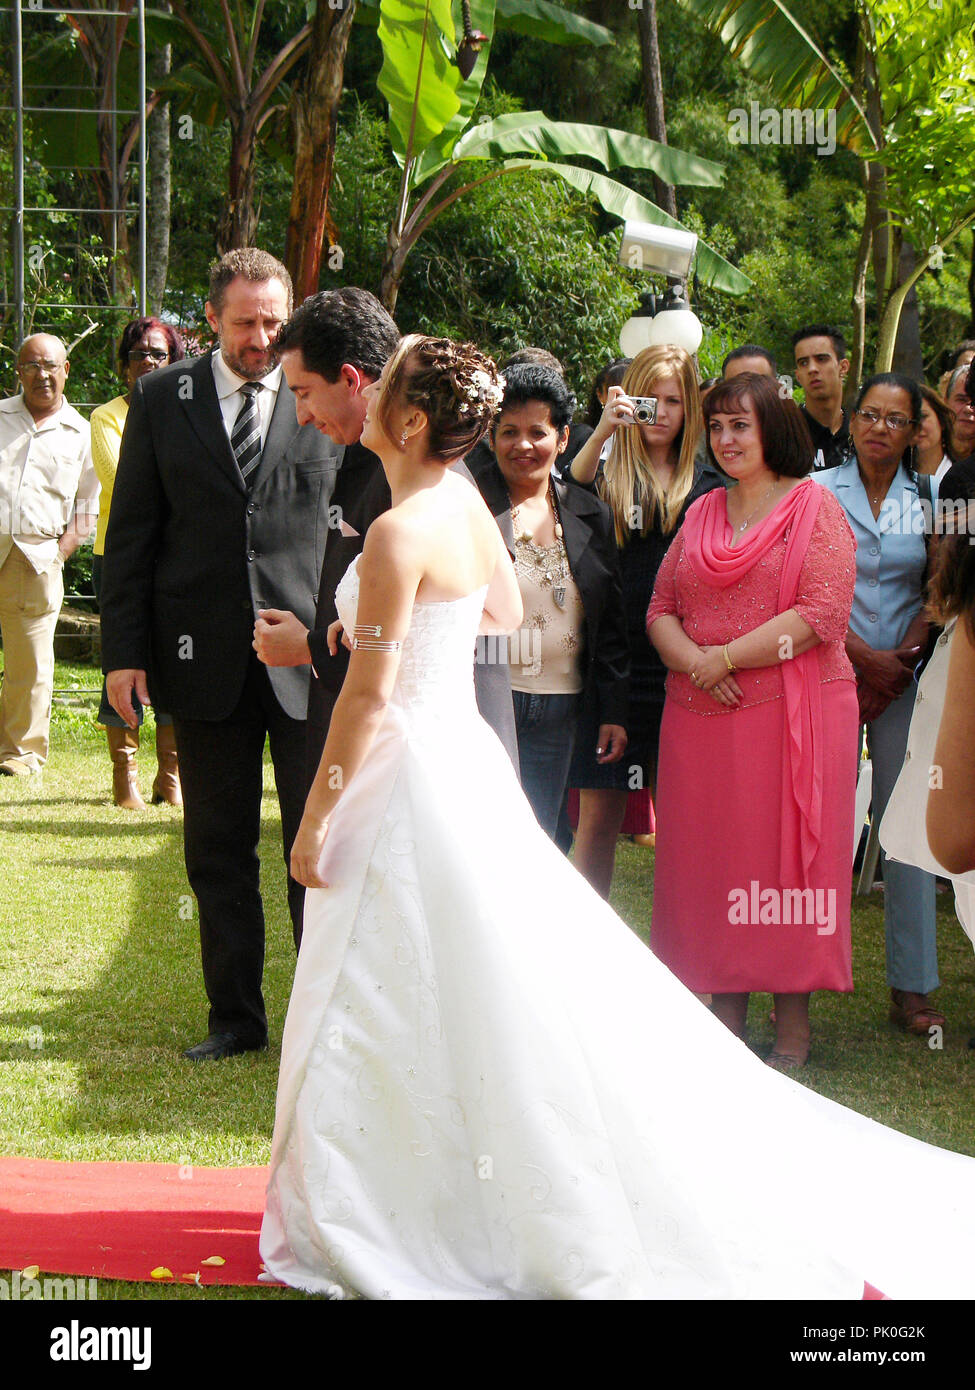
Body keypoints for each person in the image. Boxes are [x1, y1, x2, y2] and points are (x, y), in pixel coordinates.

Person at [260, 335, 975, 1302]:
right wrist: (387, 623)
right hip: (460, 760)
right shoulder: (464, 508)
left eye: (378, 389)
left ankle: (402, 1199)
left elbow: (365, 701)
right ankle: (440, 1183)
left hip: (405, 770)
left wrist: (313, 817)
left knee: (402, 977)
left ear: (411, 419)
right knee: (469, 978)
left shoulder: (398, 530)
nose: (356, 399)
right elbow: (502, 604)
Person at [100, 248, 342, 1061]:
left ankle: (321, 1020)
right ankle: (234, 1019)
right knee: (216, 849)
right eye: (246, 323)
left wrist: (333, 633)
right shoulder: (160, 399)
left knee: (316, 845)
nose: (263, 339)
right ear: (211, 317)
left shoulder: (323, 401)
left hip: (307, 659)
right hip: (198, 661)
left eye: (275, 321)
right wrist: (121, 655)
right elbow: (130, 536)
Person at [647, 373, 858, 1068]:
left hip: (792, 716)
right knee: (714, 864)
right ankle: (724, 1012)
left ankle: (791, 1023)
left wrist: (724, 658)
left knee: (785, 866)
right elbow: (660, 609)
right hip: (703, 719)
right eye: (716, 427)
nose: (726, 439)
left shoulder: (813, 506)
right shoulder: (704, 510)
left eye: (740, 425)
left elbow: (821, 614)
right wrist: (697, 663)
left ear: (774, 429)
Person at [251, 287, 519, 778]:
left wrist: (312, 647)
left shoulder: (434, 479)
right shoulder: (387, 461)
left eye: (303, 393)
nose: (302, 416)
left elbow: (476, 616)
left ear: (352, 379)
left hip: (421, 750)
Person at [566, 345, 723, 898]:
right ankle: (584, 961)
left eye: (673, 401)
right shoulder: (603, 475)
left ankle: (682, 960)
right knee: (598, 822)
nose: (659, 412)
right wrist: (606, 430)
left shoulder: (710, 486)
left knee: (684, 828)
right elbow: (569, 489)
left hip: (683, 670)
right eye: (646, 398)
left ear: (690, 410)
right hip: (611, 670)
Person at [816, 373, 941, 1038]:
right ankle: (799, 969)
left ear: (913, 429)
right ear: (853, 421)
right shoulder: (815, 492)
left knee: (905, 834)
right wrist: (860, 656)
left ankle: (912, 988)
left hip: (901, 680)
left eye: (896, 419)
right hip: (828, 671)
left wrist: (904, 656)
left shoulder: (925, 498)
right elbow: (802, 585)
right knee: (816, 825)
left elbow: (939, 582)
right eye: (869, 415)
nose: (879, 428)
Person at [472, 363, 628, 838]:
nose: (522, 445)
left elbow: (612, 623)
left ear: (562, 439)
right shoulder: (471, 507)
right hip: (486, 702)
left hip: (561, 712)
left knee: (540, 841)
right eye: (508, 432)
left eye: (537, 432)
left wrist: (613, 713)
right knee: (485, 838)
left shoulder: (590, 513)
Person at [90, 317, 184, 809]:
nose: (149, 363)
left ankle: (170, 777)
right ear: (125, 366)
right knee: (122, 658)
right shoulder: (107, 416)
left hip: (174, 559)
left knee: (172, 662)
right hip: (120, 558)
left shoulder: (186, 413)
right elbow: (117, 478)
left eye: (159, 354)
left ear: (176, 360)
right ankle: (124, 777)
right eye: (139, 355)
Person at [0, 334, 97, 776]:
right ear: (18, 371)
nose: (42, 374)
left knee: (32, 665)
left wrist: (60, 552)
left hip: (36, 559)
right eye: (32, 365)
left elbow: (87, 506)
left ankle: (20, 755)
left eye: (51, 365)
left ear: (66, 371)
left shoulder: (81, 431)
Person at [792, 324, 853, 471]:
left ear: (843, 367)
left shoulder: (860, 433)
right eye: (804, 363)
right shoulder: (787, 434)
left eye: (821, 359)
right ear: (798, 375)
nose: (812, 369)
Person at [915, 384, 957, 487]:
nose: (916, 425)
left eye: (923, 416)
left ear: (941, 421)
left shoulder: (964, 477)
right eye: (907, 419)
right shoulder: (888, 478)